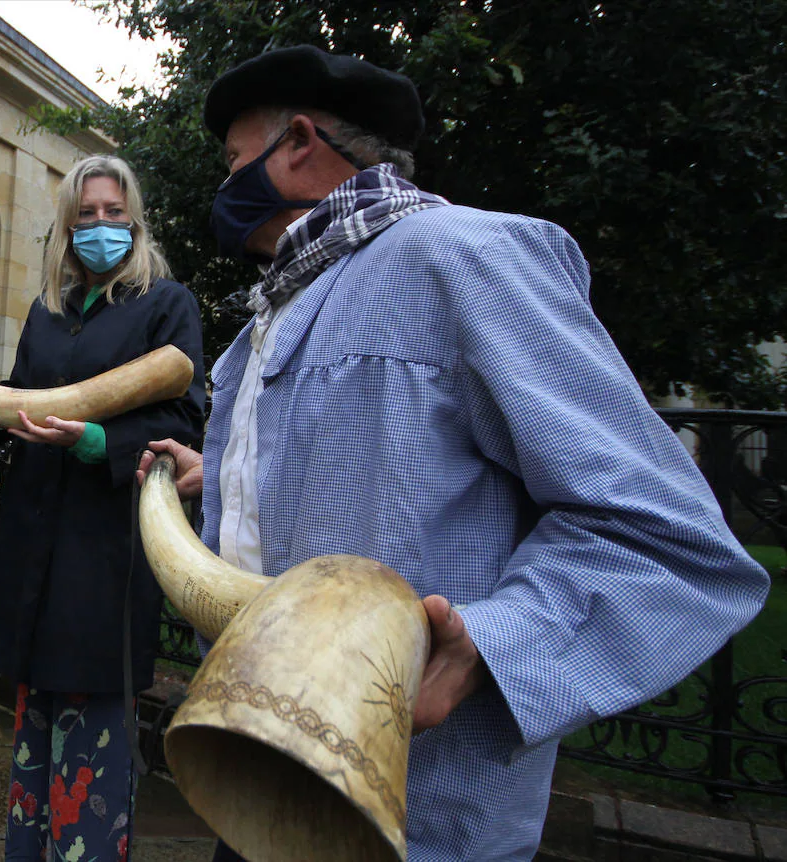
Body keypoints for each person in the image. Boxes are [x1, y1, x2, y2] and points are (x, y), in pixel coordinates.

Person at [138, 46, 771, 861]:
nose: (227, 187)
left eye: (233, 162)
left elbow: (667, 542)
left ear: (297, 146)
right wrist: (217, 478)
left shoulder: (464, 258)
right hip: (260, 791)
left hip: (415, 829)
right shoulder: (266, 325)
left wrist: (494, 644)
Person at [0, 155, 206, 862]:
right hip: (34, 540)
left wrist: (100, 441)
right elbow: (23, 395)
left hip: (103, 552)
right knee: (35, 719)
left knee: (93, 723)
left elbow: (185, 420)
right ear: (67, 227)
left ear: (135, 219)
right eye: (85, 214)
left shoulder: (166, 304)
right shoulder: (48, 309)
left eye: (112, 211)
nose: (100, 225)